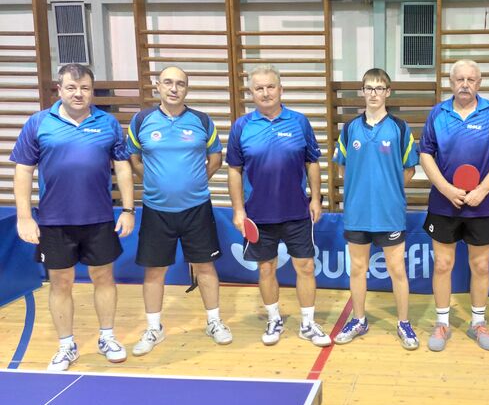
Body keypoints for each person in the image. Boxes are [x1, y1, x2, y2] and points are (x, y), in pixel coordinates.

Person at [11, 64, 135, 371]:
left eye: (84, 88)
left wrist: (128, 209)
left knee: (103, 277)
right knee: (60, 282)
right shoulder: (39, 122)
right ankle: (66, 345)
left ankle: (107, 337)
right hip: (54, 221)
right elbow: (23, 170)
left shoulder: (107, 123)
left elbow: (122, 168)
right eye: (71, 88)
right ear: (59, 89)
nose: (78, 94)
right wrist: (24, 217)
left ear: (92, 91)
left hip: (99, 219)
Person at [127, 66, 232, 355]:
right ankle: (154, 328)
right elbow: (133, 158)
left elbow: (215, 158)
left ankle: (214, 322)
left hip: (196, 208)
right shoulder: (141, 120)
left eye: (180, 84)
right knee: (154, 270)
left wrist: (195, 182)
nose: (174, 88)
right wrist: (153, 181)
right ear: (158, 86)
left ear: (187, 88)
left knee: (205, 266)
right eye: (168, 83)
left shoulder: (202, 120)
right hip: (156, 210)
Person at [226, 65, 331, 347]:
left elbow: (312, 162)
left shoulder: (299, 122)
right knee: (266, 268)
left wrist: (316, 198)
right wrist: (238, 210)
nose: (265, 92)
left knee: (305, 266)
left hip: (297, 211)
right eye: (259, 88)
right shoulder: (241, 127)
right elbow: (234, 170)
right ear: (251, 93)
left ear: (280, 89)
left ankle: (307, 324)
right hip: (258, 214)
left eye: (270, 86)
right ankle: (274, 319)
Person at [419, 59, 489, 351]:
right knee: (442, 264)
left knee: (481, 265)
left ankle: (478, 323)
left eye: (471, 79)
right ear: (451, 83)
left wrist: (483, 189)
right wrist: (445, 189)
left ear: (479, 83)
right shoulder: (438, 112)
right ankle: (442, 323)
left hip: (481, 203)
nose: (465, 84)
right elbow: (425, 154)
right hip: (444, 202)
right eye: (460, 79)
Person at [332, 68, 420, 349]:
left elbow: (409, 170)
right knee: (358, 268)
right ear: (362, 92)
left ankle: (403, 323)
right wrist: (361, 190)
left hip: (389, 212)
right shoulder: (349, 129)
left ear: (388, 92)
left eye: (379, 88)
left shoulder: (400, 128)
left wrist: (387, 190)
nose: (373, 93)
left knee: (397, 269)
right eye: (369, 88)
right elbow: (343, 167)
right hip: (357, 212)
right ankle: (359, 319)